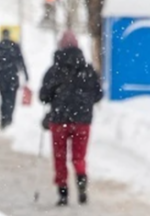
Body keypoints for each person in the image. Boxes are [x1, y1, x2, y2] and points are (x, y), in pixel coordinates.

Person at [38, 30, 103, 206]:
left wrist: (56, 96)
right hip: (82, 121)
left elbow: (43, 96)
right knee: (79, 157)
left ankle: (63, 193)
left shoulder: (54, 70)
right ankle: (81, 184)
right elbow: (98, 94)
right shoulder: (88, 69)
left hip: (59, 120)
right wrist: (84, 101)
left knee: (60, 157)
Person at [0, 29, 29, 129]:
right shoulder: (15, 47)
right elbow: (21, 61)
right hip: (13, 76)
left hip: (3, 76)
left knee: (3, 98)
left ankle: (4, 118)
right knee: (11, 98)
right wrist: (26, 74)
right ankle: (8, 117)